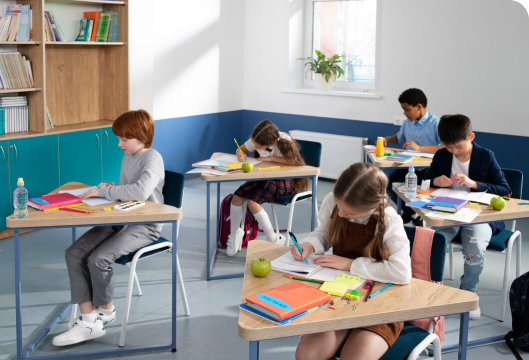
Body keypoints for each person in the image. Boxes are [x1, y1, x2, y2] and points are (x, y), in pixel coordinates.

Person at [53, 110, 165, 346]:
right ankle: (89, 319)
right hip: (122, 217)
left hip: (145, 225)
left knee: (98, 259)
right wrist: (111, 186)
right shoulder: (129, 156)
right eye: (119, 138)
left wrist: (105, 191)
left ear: (141, 136)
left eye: (124, 139)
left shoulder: (152, 158)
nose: (119, 144)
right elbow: (128, 189)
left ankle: (106, 310)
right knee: (73, 253)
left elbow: (141, 192)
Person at [291, 163, 411, 360]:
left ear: (372, 207)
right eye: (339, 207)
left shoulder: (389, 219)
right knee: (306, 355)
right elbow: (324, 233)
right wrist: (310, 244)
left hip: (379, 301)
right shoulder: (335, 201)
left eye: (349, 213)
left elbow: (402, 272)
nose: (340, 214)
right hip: (341, 295)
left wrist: (350, 265)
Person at [424, 114, 510, 320]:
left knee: (474, 245)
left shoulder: (485, 156)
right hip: (448, 212)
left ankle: (468, 292)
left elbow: (505, 189)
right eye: (448, 147)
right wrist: (435, 180)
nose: (453, 151)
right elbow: (424, 180)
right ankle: (431, 287)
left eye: (458, 147)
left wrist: (473, 184)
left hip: (479, 216)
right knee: (434, 242)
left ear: (471, 137)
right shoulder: (441, 155)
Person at [226, 119, 308, 256]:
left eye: (259, 146)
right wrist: (240, 153)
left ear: (270, 143)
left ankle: (273, 239)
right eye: (255, 144)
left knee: (253, 202)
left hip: (287, 179)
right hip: (265, 177)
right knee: (237, 198)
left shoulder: (285, 140)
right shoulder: (257, 139)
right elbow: (241, 148)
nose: (255, 146)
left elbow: (295, 161)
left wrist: (270, 158)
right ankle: (234, 235)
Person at [383, 88, 444, 225]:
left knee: (415, 194)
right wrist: (387, 139)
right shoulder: (407, 123)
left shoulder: (436, 123)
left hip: (428, 169)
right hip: (409, 166)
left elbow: (446, 147)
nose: (404, 113)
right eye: (403, 110)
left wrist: (420, 148)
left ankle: (412, 213)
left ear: (419, 107)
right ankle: (413, 213)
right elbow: (399, 138)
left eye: (407, 109)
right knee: (388, 185)